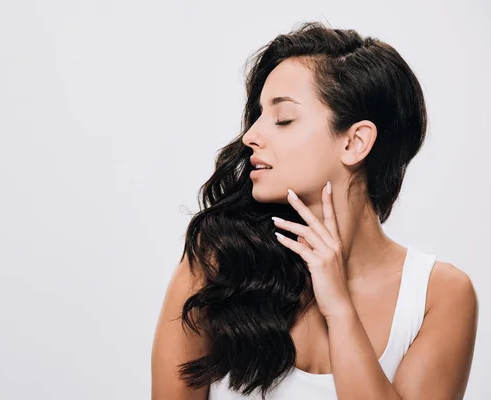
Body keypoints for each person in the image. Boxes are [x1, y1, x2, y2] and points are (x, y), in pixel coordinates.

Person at [151, 21, 478, 400]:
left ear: (355, 143)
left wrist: (338, 309)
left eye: (283, 119)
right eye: (258, 116)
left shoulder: (438, 296)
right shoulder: (218, 263)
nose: (250, 136)